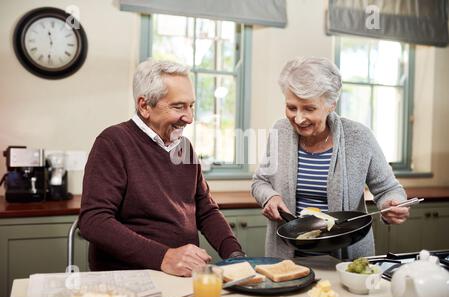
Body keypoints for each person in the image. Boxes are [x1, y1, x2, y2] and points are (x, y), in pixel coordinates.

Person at [79, 59, 245, 276]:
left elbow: (206, 210)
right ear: (144, 106)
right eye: (178, 107)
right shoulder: (113, 142)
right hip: (130, 277)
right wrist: (165, 257)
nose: (189, 118)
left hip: (182, 275)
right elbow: (94, 221)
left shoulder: (184, 147)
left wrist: (235, 255)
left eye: (191, 106)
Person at [251, 57, 410, 260]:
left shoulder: (359, 137)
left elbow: (389, 189)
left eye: (309, 108)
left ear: (331, 104)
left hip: (347, 258)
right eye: (292, 108)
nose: (298, 119)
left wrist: (391, 204)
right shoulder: (279, 131)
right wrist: (270, 197)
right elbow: (260, 181)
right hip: (288, 257)